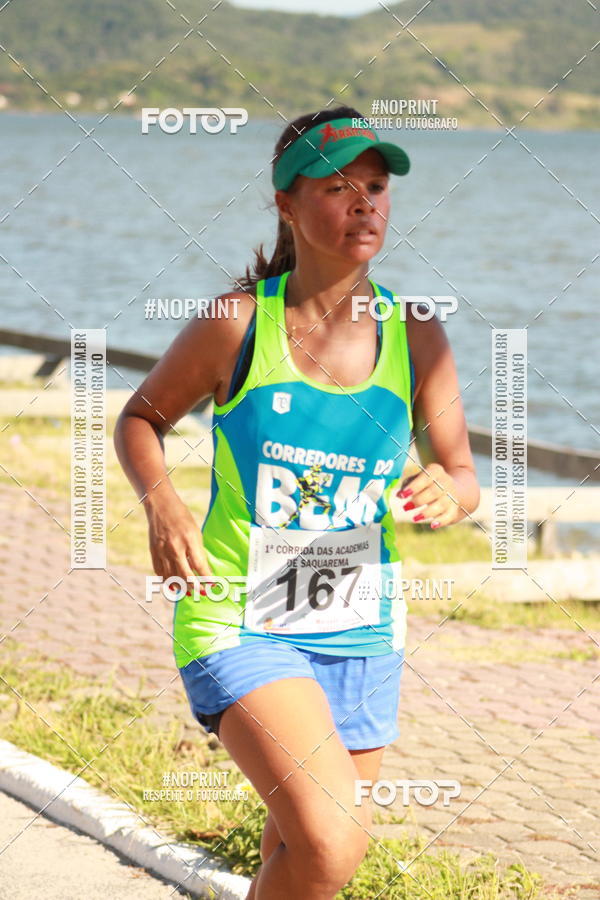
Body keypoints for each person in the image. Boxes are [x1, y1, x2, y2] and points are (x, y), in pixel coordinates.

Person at [114, 105, 480, 900]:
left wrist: (448, 490)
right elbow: (141, 418)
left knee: (299, 860)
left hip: (363, 628)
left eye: (377, 188)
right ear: (286, 202)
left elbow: (462, 471)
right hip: (237, 617)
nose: (365, 204)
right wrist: (163, 503)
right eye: (339, 186)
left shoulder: (418, 336)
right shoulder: (237, 323)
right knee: (334, 841)